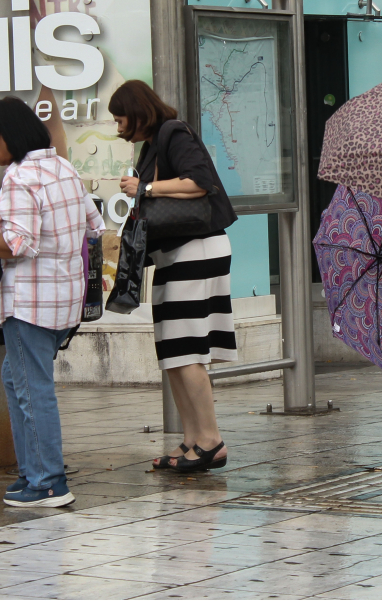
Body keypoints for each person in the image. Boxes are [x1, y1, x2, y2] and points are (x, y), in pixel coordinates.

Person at [0, 97, 105, 508]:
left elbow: (17, 243)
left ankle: (48, 481)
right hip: (63, 300)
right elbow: (94, 224)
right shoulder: (63, 168)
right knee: (17, 380)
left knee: (32, 388)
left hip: (31, 301)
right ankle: (33, 471)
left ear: (8, 137)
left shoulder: (21, 177)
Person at [109, 80, 238, 473]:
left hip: (196, 248)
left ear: (137, 111)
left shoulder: (172, 132)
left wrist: (144, 186)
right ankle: (192, 438)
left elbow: (200, 182)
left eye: (120, 119)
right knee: (173, 352)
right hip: (176, 253)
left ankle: (211, 440)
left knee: (186, 351)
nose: (118, 127)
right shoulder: (152, 145)